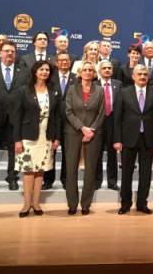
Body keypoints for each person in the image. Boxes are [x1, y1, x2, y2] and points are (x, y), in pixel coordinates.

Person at [114, 64, 153, 215]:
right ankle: (125, 203)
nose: (142, 76)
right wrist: (117, 139)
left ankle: (142, 203)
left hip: (148, 139)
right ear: (133, 76)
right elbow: (117, 118)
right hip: (128, 139)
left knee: (146, 174)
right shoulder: (123, 92)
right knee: (126, 173)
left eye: (145, 74)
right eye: (139, 74)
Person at [13, 60, 61, 217]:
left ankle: (36, 203)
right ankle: (26, 204)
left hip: (46, 137)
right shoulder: (24, 90)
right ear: (35, 71)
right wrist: (17, 140)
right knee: (28, 171)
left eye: (47, 70)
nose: (44, 72)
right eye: (41, 69)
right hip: (27, 137)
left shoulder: (54, 91)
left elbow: (57, 117)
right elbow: (17, 117)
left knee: (40, 171)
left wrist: (57, 138)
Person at [64, 61, 105, 215]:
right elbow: (68, 112)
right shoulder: (71, 89)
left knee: (90, 171)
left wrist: (91, 130)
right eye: (85, 70)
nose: (87, 72)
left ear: (94, 74)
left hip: (93, 134)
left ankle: (86, 204)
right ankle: (72, 204)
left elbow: (101, 113)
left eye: (90, 70)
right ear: (80, 73)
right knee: (71, 170)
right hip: (73, 133)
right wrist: (82, 128)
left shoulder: (100, 90)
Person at [0, 40, 28, 191]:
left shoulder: (24, 72)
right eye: (6, 51)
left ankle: (12, 178)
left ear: (15, 54)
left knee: (14, 150)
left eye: (12, 51)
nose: (9, 53)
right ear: (0, 53)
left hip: (16, 118)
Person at [43, 50, 76, 190]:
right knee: (50, 151)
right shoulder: (49, 78)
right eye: (61, 60)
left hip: (71, 121)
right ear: (56, 63)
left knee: (68, 153)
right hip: (53, 120)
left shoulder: (77, 78)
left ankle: (65, 179)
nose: (64, 62)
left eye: (67, 60)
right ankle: (48, 180)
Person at [93, 59, 122, 191]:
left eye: (109, 68)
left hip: (113, 122)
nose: (107, 70)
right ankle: (96, 181)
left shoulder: (118, 84)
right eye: (104, 68)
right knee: (97, 153)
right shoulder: (94, 84)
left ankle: (112, 182)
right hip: (98, 122)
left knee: (112, 154)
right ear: (99, 71)